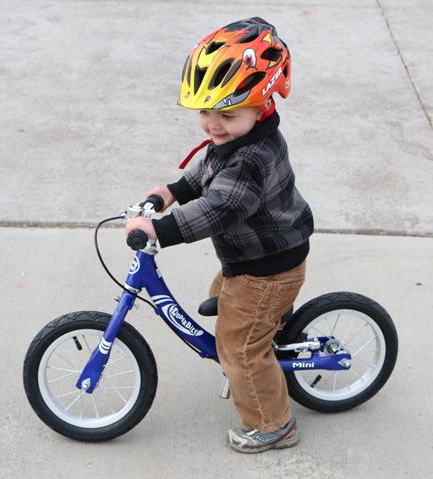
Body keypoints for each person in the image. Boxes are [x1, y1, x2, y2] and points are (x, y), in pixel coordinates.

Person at [124, 17, 314, 453]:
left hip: (269, 267)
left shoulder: (251, 157)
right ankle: (269, 322)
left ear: (262, 104)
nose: (213, 124)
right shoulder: (234, 140)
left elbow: (220, 208)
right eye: (205, 111)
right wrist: (169, 192)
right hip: (253, 257)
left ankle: (273, 426)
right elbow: (205, 173)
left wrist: (160, 229)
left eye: (226, 113)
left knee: (238, 349)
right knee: (225, 294)